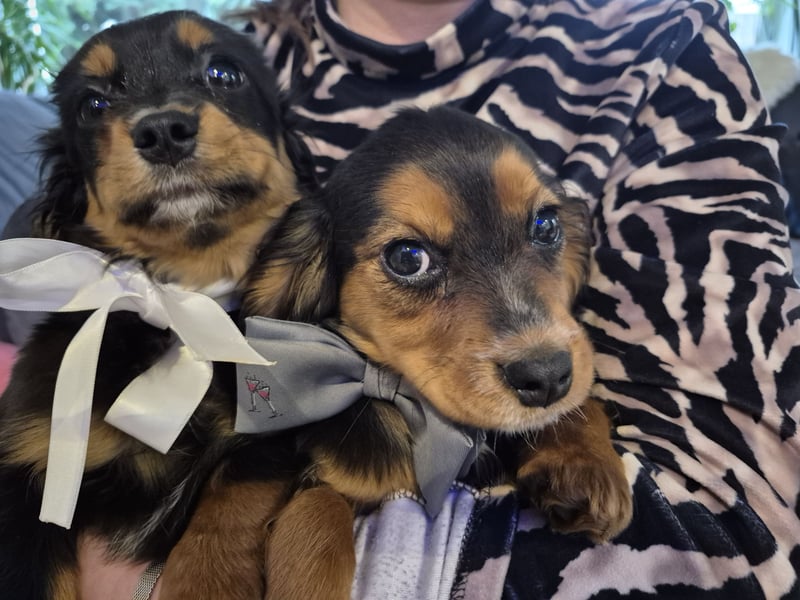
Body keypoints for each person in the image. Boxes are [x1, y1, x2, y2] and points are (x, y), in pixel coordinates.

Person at [65, 0, 800, 597]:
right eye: (410, 258)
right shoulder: (247, 64)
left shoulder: (663, 44)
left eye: (544, 227)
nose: (532, 341)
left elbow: (742, 512)